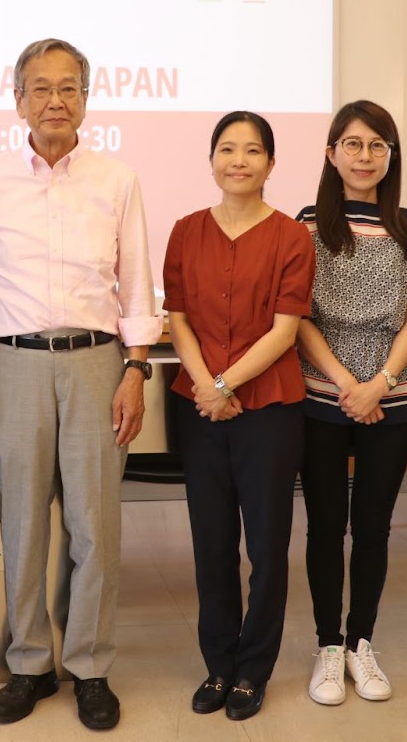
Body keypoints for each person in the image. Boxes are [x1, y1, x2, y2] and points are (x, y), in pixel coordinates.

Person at [0, 38, 159, 731]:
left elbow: (136, 283)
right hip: (12, 363)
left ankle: (91, 667)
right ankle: (29, 664)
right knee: (22, 523)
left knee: (94, 524)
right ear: (18, 101)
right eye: (40, 88)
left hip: (97, 362)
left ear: (86, 99)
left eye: (68, 88)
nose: (55, 101)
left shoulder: (117, 179)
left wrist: (136, 370)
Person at [163, 111, 314, 721]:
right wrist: (207, 386)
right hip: (200, 406)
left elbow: (286, 330)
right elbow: (177, 318)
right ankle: (219, 664)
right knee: (212, 542)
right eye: (227, 149)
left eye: (253, 151)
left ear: (271, 164)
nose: (239, 161)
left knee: (268, 547)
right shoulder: (185, 231)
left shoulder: (291, 236)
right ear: (211, 161)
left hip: (269, 409)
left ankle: (253, 670)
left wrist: (225, 384)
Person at [295, 101, 407, 707]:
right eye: (352, 144)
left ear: (390, 156)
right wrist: (348, 386)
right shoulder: (306, 225)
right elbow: (298, 317)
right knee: (326, 527)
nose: (365, 156)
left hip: (390, 400)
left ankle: (361, 643)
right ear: (331, 154)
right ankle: (328, 646)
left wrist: (379, 383)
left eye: (378, 145)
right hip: (322, 398)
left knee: (373, 528)